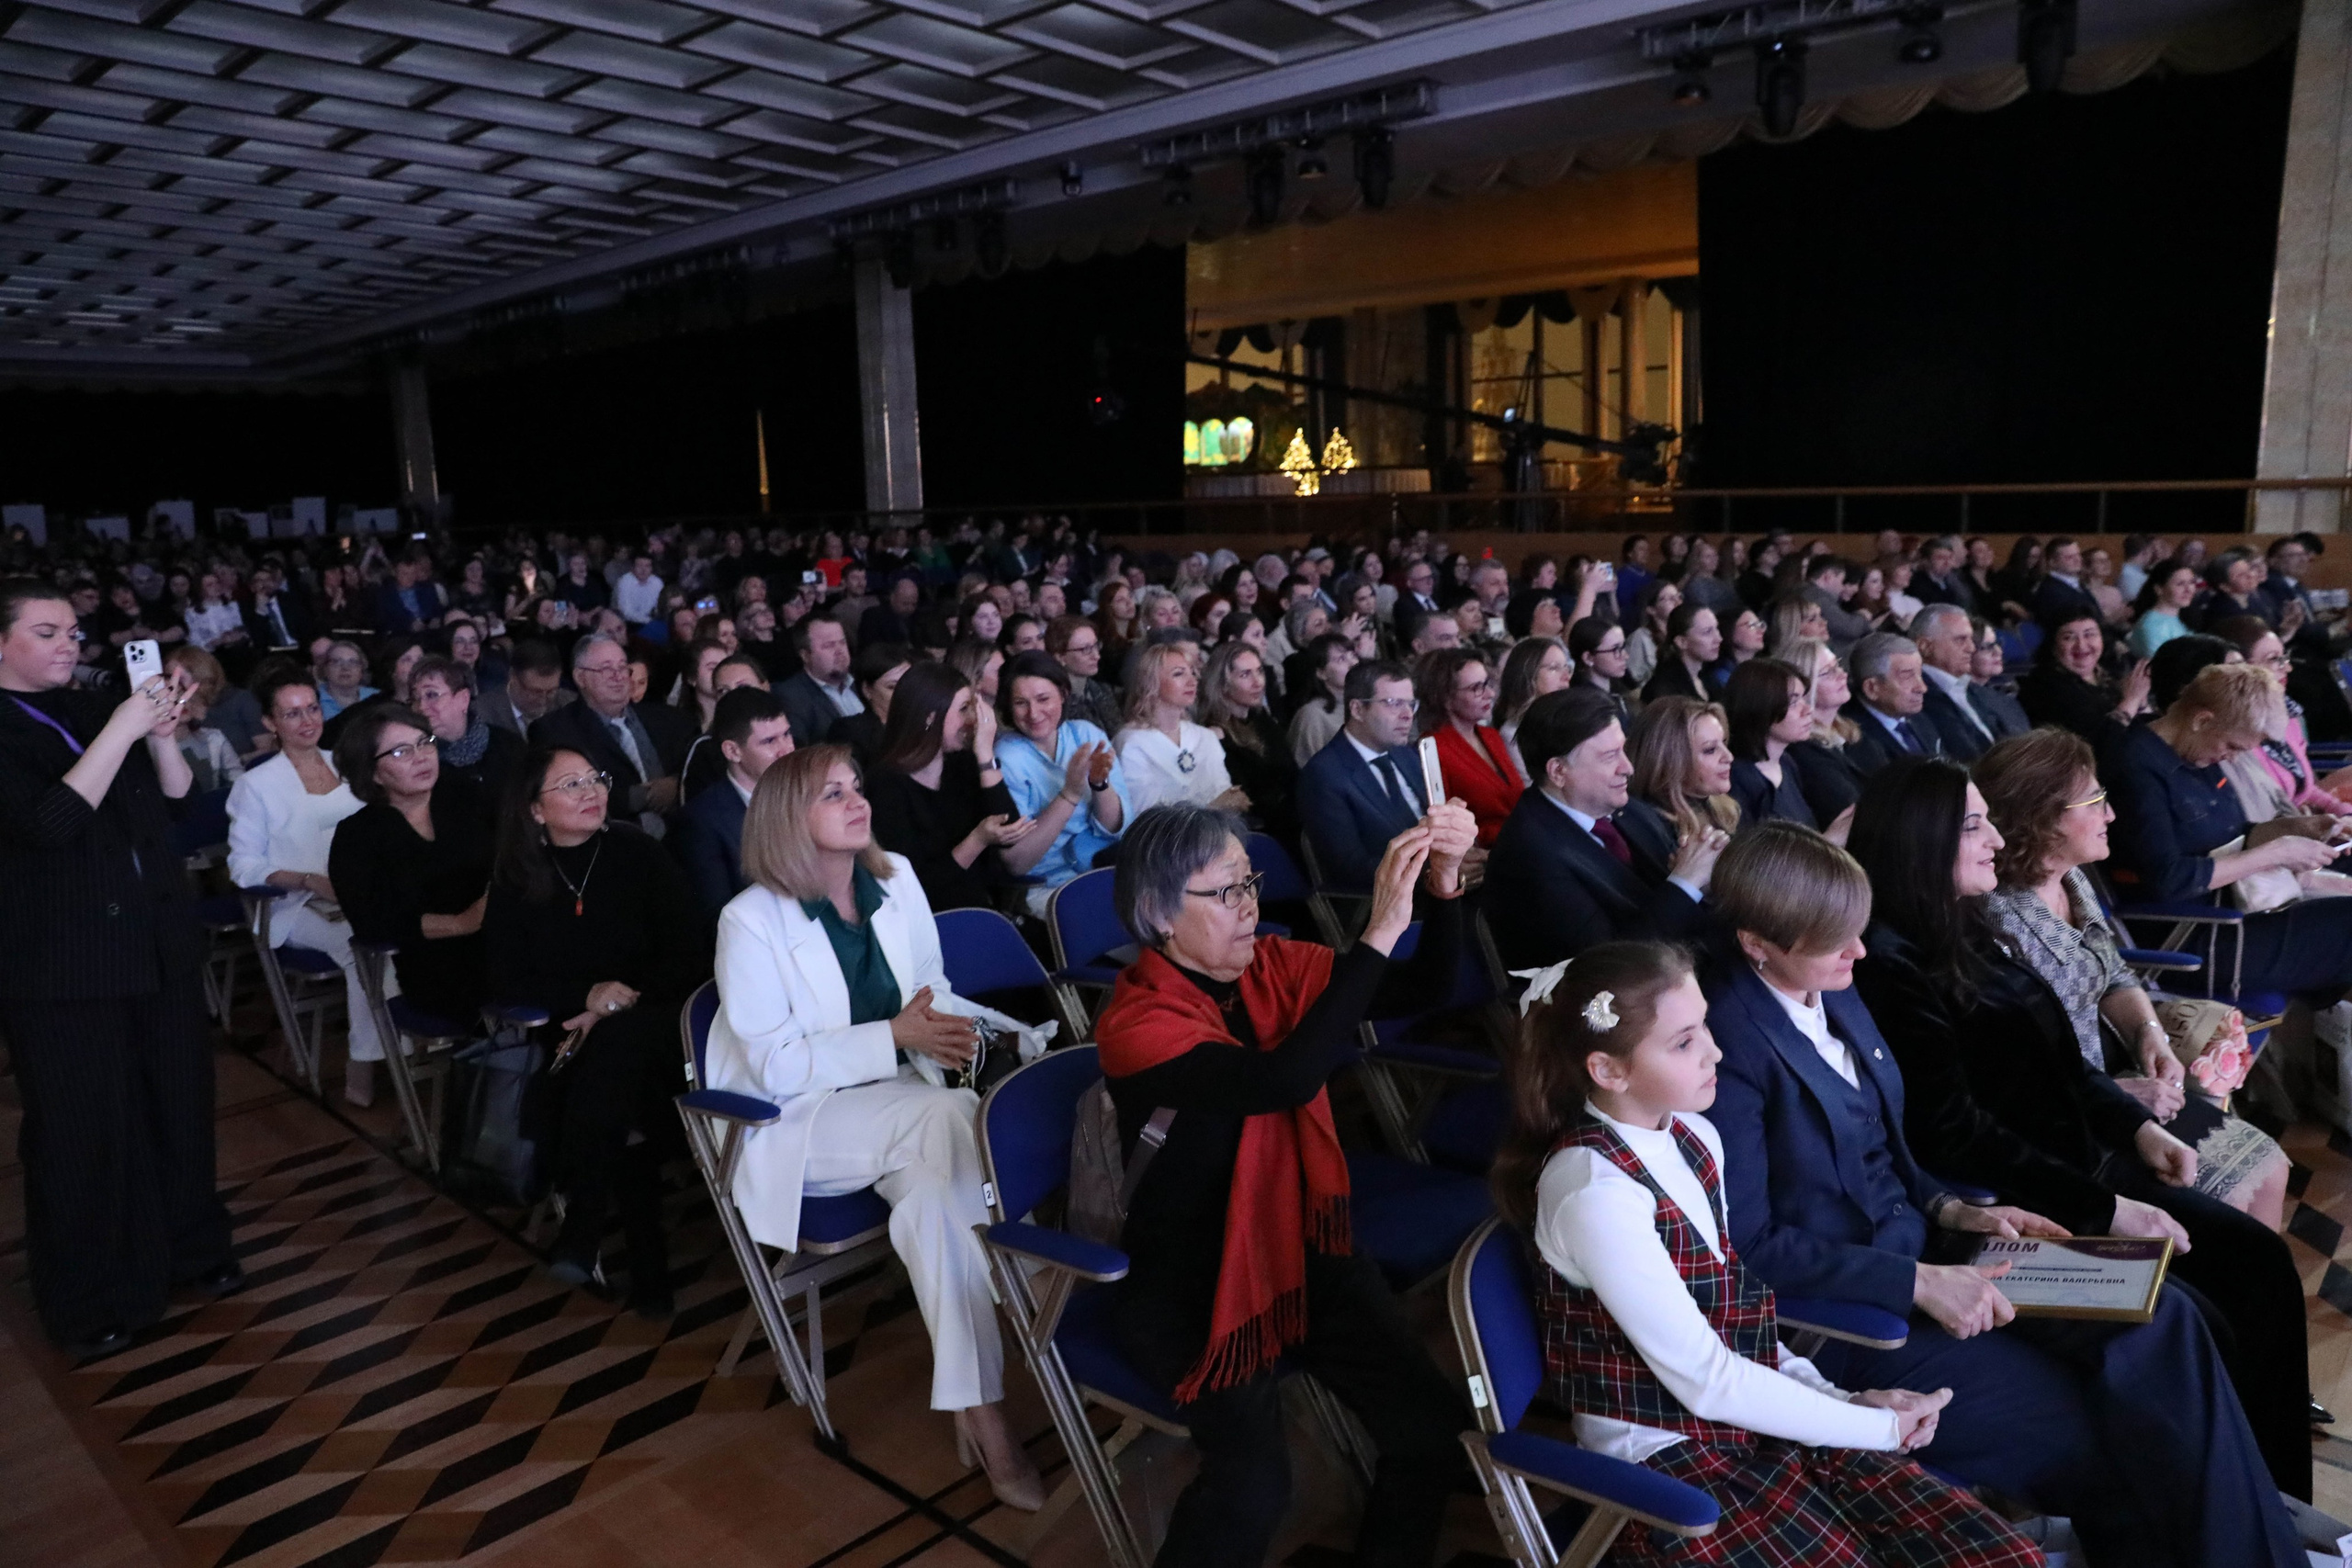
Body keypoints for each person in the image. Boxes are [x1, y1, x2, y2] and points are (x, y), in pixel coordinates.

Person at [1701, 820, 2307, 1568]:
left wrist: (1955, 1208)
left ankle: (2267, 1547)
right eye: (1837, 943)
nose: (1860, 954)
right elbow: (1750, 1248)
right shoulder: (1725, 1046)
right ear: (1760, 943)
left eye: (1858, 934)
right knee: (2111, 1430)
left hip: (1940, 1245)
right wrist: (1918, 1278)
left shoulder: (1833, 983)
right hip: (1858, 1315)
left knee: (2167, 1313)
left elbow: (1889, 1150)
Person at [1846, 756, 2315, 1496]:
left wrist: (2136, 1128)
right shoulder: (1892, 964)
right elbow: (1952, 1133)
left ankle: (2278, 1490)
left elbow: (2063, 1060)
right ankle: (2252, 1491)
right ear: (1919, 839)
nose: (1995, 839)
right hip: (2025, 1196)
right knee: (2214, 1306)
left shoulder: (1964, 921)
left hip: (2086, 1160)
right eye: (1973, 824)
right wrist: (2109, 1207)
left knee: (2257, 1265)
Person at [1496, 942, 2042, 1568]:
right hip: (1669, 1464)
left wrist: (1841, 1399)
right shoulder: (1596, 1192)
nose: (1716, 1051)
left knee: (2005, 1557)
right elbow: (1706, 1380)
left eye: (1705, 1024)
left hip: (1752, 1416)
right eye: (1683, 1042)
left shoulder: (1693, 1134)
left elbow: (1737, 1321)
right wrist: (1877, 1430)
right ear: (1608, 1070)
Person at [1096, 802, 1477, 1568]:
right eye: (1226, 892)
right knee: (1254, 1485)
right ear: (1160, 916)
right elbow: (1282, 1078)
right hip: (1195, 1284)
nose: (1251, 908)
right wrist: (1375, 929)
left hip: (1299, 1244)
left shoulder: (1271, 967)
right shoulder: (1137, 1021)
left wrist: (1442, 889)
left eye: (1251, 883)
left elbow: (1426, 987)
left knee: (1432, 1426)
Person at [703, 745, 1048, 1508]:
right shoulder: (750, 920)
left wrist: (991, 1031)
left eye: (858, 786)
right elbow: (775, 1068)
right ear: (790, 818)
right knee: (953, 1117)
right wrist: (896, 1037)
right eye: (834, 793)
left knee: (937, 1193)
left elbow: (933, 990)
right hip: (804, 1119)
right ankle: (1028, 1276)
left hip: (905, 1103)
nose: (858, 800)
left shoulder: (895, 880)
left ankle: (979, 1408)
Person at [0, 580, 238, 1356]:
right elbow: (49, 823)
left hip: (154, 941)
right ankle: (90, 1294)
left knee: (178, 1104)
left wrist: (160, 730)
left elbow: (175, 799)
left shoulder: (84, 706)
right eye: (47, 631)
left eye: (73, 631)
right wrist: (122, 727)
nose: (71, 643)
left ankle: (190, 1250)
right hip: (61, 963)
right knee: (82, 1131)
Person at [1974, 728, 2291, 1228]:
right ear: (2044, 818)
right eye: (2096, 801)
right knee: (2231, 1209)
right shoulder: (1998, 923)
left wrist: (2151, 1036)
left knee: (2269, 1167)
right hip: (2068, 1123)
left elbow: (2116, 975)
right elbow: (2022, 1074)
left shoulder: (2069, 879)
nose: (2111, 814)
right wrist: (2118, 1099)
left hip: (2116, 1083)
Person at [484, 747, 712, 1314]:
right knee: (619, 1093)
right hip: (568, 1036)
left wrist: (616, 1001)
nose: (591, 792)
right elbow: (504, 975)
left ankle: (584, 1226)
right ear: (535, 810)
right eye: (570, 785)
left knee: (619, 1047)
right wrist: (582, 1001)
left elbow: (689, 949)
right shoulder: (517, 879)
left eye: (595, 779)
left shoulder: (637, 852)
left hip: (660, 1021)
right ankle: (645, 1264)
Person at [2109, 661, 2352, 997]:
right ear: (2202, 720)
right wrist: (2277, 851)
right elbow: (2170, 879)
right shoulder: (2135, 768)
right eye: (2234, 746)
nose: (2234, 759)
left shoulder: (2194, 753)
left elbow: (2237, 834)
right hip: (2194, 935)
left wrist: (2300, 828)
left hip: (2235, 911)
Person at [227, 661, 383, 1105]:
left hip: (358, 895)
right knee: (362, 947)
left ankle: (409, 1043)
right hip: (295, 906)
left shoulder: (348, 765)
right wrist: (309, 880)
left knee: (409, 929)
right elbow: (244, 866)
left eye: (312, 708)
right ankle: (365, 1060)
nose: (307, 721)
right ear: (270, 722)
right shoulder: (256, 785)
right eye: (292, 713)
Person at [1486, 687, 1723, 972]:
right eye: (1610, 756)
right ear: (1558, 772)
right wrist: (1686, 882)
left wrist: (1705, 877)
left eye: (1623, 749)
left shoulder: (1627, 808)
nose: (1628, 768)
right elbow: (1608, 964)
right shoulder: (1529, 853)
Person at [327, 703, 491, 1025]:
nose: (422, 757)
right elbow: (373, 922)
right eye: (401, 752)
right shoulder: (356, 836)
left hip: (506, 936)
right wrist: (460, 922)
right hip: (436, 964)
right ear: (372, 771)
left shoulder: (467, 796)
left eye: (424, 743)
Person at [865, 661, 1029, 913]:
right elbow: (915, 885)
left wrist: (985, 755)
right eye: (964, 709)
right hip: (930, 919)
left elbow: (1010, 832)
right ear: (930, 717)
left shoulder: (962, 763)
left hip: (980, 909)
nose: (973, 720)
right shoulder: (885, 784)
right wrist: (977, 840)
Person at [994, 651, 1130, 913]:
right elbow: (1018, 861)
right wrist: (1069, 793)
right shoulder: (1007, 756)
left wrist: (1099, 784)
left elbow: (1117, 828)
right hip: (1048, 885)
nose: (1034, 713)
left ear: (1064, 694)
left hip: (1104, 869)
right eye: (1021, 703)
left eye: (1043, 699)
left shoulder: (1085, 733)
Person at [529, 632, 694, 839]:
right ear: (581, 678)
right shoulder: (555, 730)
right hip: (609, 842)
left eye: (623, 667)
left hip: (682, 838)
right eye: (606, 669)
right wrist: (644, 796)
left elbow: (696, 771)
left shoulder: (668, 719)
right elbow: (563, 796)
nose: (618, 676)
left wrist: (678, 786)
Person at [1298, 658, 1430, 894]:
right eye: (1393, 703)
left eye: (1411, 704)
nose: (1407, 714)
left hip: (1436, 885)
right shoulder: (1324, 775)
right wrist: (1433, 873)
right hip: (1384, 902)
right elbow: (1349, 868)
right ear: (1358, 709)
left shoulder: (1408, 756)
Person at [672, 685, 796, 918]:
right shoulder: (701, 822)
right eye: (769, 741)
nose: (786, 750)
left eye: (787, 735)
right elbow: (719, 915)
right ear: (732, 751)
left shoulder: (811, 796)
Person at [1115, 640, 1245, 818]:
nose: (1192, 681)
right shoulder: (1131, 742)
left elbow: (1229, 801)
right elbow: (1145, 812)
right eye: (1178, 674)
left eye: (1193, 673)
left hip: (1214, 835)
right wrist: (1207, 805)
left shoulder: (1205, 737)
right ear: (1151, 682)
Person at [1417, 646, 1521, 844]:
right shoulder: (1433, 749)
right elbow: (1445, 828)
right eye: (1476, 688)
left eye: (1488, 684)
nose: (1490, 694)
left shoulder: (1490, 735)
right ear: (1446, 698)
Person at [1196, 640, 1295, 846]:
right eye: (1245, 675)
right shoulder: (1214, 736)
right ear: (1223, 684)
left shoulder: (1260, 718)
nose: (1258, 682)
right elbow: (1249, 801)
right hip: (1265, 835)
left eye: (1259, 671)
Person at [2017, 612, 2148, 755]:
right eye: (2069, 638)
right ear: (2053, 646)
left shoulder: (2109, 672)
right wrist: (2131, 700)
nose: (2081, 645)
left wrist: (2141, 701)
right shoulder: (2046, 686)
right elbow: (2099, 745)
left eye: (2089, 635)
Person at [1628, 694, 1741, 855]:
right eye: (1710, 750)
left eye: (1724, 743)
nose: (1729, 757)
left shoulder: (1724, 807)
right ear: (1670, 761)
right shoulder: (1653, 828)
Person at [409, 653, 520, 802]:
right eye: (416, 698)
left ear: (463, 699)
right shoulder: (417, 759)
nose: (421, 707)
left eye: (432, 695)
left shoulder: (509, 747)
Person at [1723, 658, 1816, 829]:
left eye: (1803, 698)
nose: (1808, 710)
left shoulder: (1787, 763)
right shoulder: (1736, 778)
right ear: (1762, 708)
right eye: (1794, 702)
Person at [1907, 604, 1997, 761]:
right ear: (1925, 646)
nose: (1971, 648)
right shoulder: (1919, 696)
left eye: (1971, 639)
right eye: (1961, 640)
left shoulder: (1972, 690)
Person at [1839, 632, 1938, 775]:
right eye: (1907, 676)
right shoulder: (1854, 738)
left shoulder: (1920, 719)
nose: (1922, 688)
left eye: (1919, 674)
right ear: (1872, 688)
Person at [1495, 634, 1571, 785]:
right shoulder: (1512, 733)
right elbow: (1532, 787)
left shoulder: (1571, 717)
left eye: (1567, 668)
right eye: (1554, 668)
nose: (1566, 676)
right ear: (1528, 674)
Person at [778, 616, 863, 749]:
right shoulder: (791, 696)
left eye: (842, 642)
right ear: (805, 655)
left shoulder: (862, 681)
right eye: (828, 646)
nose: (839, 651)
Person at [824, 639, 910, 770]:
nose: (903, 692)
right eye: (892, 687)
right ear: (867, 690)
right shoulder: (850, 731)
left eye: (908, 684)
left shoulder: (924, 724)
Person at [1284, 631, 1356, 765]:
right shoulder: (1312, 715)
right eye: (1341, 659)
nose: (1353, 663)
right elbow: (1306, 768)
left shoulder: (1363, 701)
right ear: (1321, 673)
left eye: (1353, 655)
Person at [478, 638, 571, 735]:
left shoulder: (570, 706)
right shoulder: (482, 714)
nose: (542, 701)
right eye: (535, 692)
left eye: (551, 691)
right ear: (512, 676)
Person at [1641, 602, 1718, 705]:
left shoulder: (1709, 677)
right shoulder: (1664, 690)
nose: (1719, 639)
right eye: (1707, 632)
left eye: (1716, 629)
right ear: (1682, 642)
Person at [2130, 558, 2203, 660]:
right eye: (2180, 584)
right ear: (2159, 589)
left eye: (2191, 583)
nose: (2188, 590)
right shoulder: (2152, 626)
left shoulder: (2186, 616)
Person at [314, 639, 377, 720]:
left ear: (362, 670)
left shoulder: (377, 698)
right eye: (336, 662)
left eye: (353, 662)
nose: (345, 668)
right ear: (325, 669)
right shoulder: (313, 700)